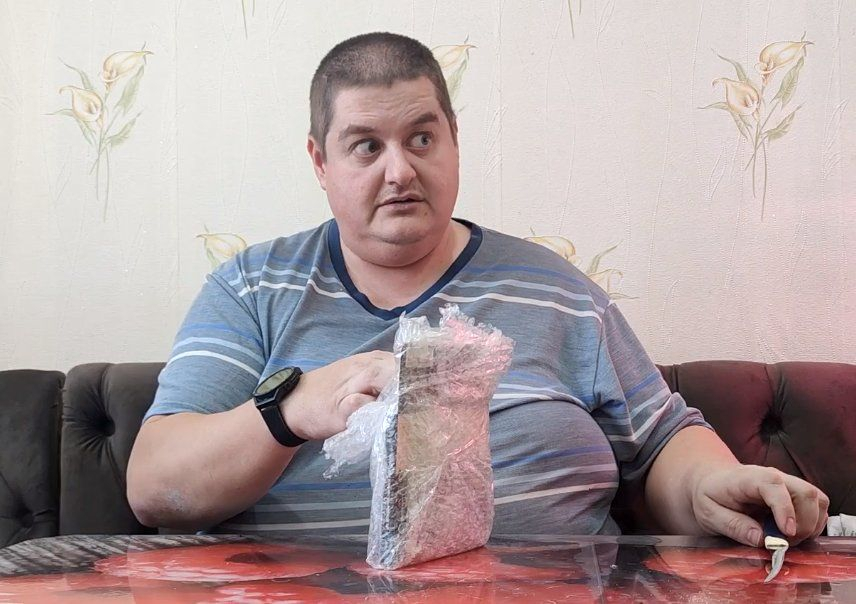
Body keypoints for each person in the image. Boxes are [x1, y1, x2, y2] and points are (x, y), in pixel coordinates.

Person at [127, 32, 828, 547]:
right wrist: (291, 411)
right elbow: (156, 487)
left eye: (421, 138)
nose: (399, 171)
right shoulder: (252, 289)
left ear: (454, 139)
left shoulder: (559, 292)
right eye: (367, 146)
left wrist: (711, 485)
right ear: (320, 161)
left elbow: (663, 442)